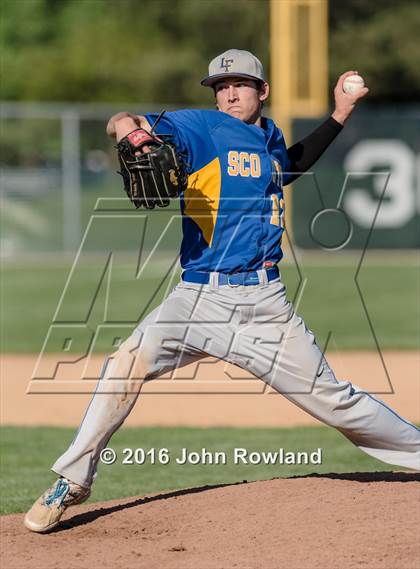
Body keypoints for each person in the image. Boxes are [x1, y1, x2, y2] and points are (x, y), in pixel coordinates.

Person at [24, 49, 420, 533]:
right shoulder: (199, 128)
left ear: (263, 91)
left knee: (333, 399)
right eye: (220, 86)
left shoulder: (268, 135)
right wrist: (132, 132)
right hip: (197, 299)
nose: (229, 93)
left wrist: (340, 114)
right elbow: (119, 120)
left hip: (263, 305)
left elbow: (289, 165)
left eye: (239, 84)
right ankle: (73, 480)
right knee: (125, 365)